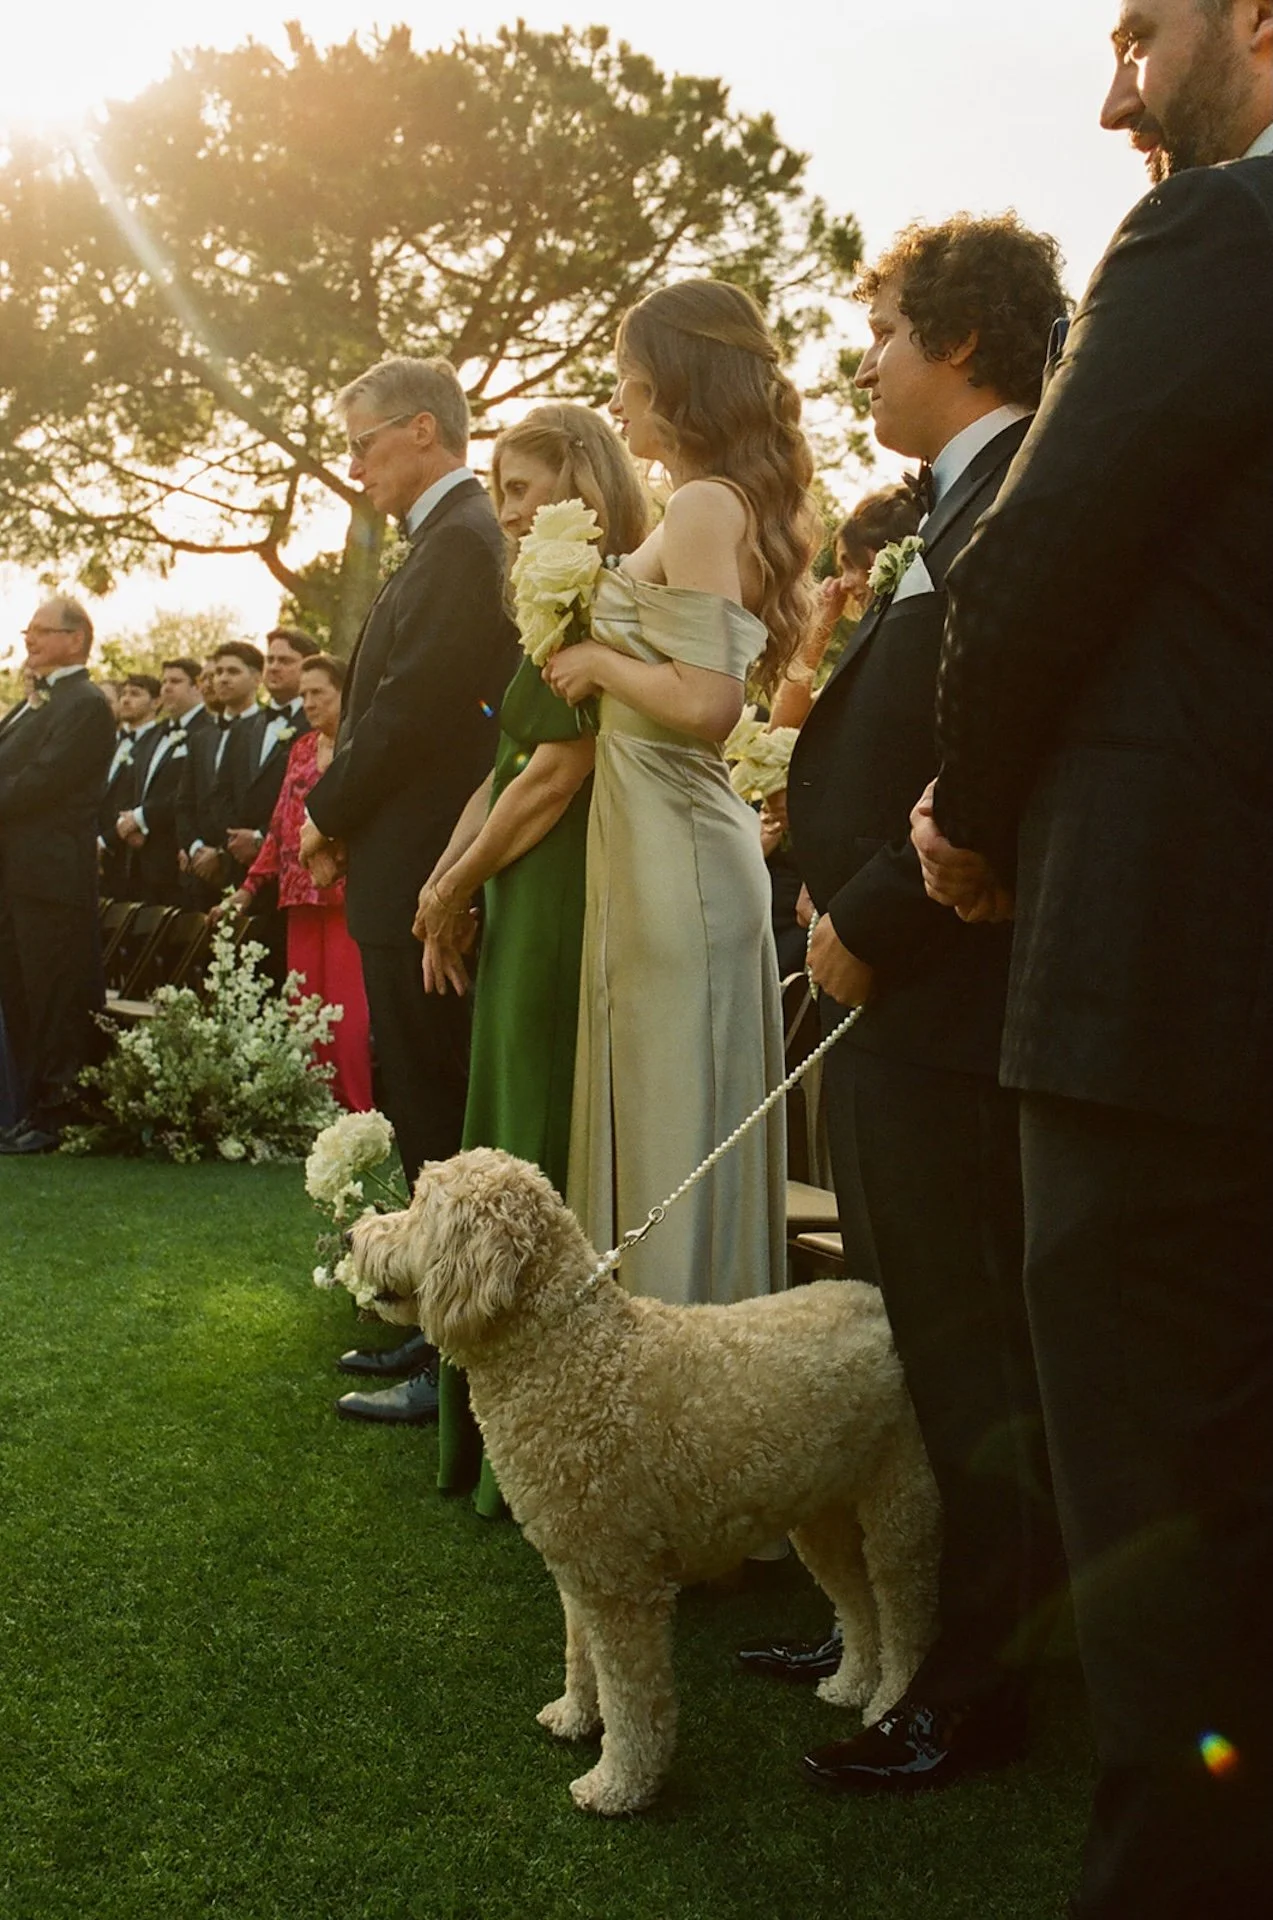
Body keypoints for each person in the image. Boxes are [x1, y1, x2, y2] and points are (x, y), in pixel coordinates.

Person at [911, 7, 1273, 1912]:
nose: (1111, 86)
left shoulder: (1218, 233)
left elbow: (1034, 562)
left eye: (1142, 29)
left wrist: (966, 820)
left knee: (1169, 1536)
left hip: (1174, 1000)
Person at [752, 217, 1069, 1794]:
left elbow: (993, 745)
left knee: (964, 1350)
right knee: (889, 1332)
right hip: (881, 978)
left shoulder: (1022, 493)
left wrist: (871, 916)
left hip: (947, 988)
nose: (864, 358)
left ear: (957, 341)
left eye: (880, 330)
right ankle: (877, 1620)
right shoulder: (937, 508)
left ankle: (983, 1679)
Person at [347, 406, 650, 1474]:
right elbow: (504, 757)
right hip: (503, 871)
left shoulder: (594, 591)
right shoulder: (546, 591)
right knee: (483, 1105)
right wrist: (445, 876)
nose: (509, 511)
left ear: (580, 480)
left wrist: (452, 881)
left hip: (556, 877)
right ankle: (470, 1369)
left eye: (523, 489)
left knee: (504, 1119)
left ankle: (490, 1373)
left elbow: (550, 769)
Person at [543, 279, 812, 1305]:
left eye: (629, 382)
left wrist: (596, 668)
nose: (617, 406)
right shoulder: (706, 502)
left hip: (682, 859)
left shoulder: (704, 505)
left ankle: (678, 1380)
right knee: (664, 1111)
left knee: (674, 1125)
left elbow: (708, 702)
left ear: (676, 388)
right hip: (655, 843)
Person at [300, 355, 519, 1420]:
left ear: (424, 430)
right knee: (417, 1094)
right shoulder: (440, 541)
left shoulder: (461, 542)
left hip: (428, 860)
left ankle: (460, 1358)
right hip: (400, 855)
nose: (355, 466)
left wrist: (328, 810)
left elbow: (410, 708)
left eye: (364, 442)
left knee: (438, 1099)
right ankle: (435, 1322)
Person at [215, 653, 372, 1113]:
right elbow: (281, 822)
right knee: (303, 1003)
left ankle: (354, 1108)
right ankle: (308, 1103)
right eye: (303, 695)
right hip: (298, 892)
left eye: (317, 693)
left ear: (345, 692)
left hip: (345, 889)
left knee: (346, 1009)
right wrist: (250, 885)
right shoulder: (302, 747)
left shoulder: (359, 744)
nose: (307, 702)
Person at [0, 597, 114, 1154]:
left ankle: (59, 1112)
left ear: (76, 639)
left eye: (42, 631)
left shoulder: (86, 703)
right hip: (17, 872)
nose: (31, 640)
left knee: (53, 992)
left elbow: (45, 780)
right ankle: (30, 1107)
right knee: (22, 991)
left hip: (51, 873)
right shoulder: (37, 700)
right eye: (29, 631)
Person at [217, 626, 317, 981]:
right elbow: (222, 790)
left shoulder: (317, 723)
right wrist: (234, 839)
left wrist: (261, 838)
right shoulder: (246, 727)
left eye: (285, 661)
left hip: (292, 872)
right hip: (237, 868)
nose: (274, 667)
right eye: (271, 659)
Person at [114, 657, 214, 906]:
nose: (167, 687)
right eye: (164, 681)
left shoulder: (207, 731)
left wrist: (142, 818)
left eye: (176, 681)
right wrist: (129, 823)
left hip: (176, 859)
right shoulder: (155, 734)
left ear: (197, 687)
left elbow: (190, 791)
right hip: (141, 858)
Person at [176, 640, 263, 907]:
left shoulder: (266, 731)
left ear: (257, 677)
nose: (222, 679)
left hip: (247, 866)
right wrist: (194, 847)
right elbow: (185, 802)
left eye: (233, 672)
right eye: (217, 673)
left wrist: (223, 855)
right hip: (199, 869)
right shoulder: (201, 738)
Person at [98, 673, 164, 897]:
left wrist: (108, 839)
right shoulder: (110, 741)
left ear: (156, 702)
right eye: (124, 694)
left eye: (135, 694)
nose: (126, 699)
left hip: (131, 853)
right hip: (97, 855)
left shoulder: (159, 741)